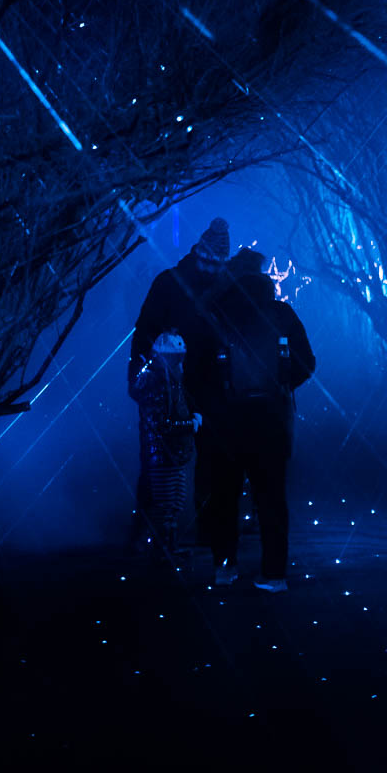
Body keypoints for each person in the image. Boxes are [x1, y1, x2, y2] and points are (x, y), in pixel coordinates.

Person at [201, 246, 315, 591]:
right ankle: (274, 573)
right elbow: (307, 362)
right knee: (271, 497)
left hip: (227, 420)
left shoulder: (216, 311)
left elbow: (199, 366)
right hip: (272, 418)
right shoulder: (281, 313)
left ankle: (225, 567)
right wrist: (282, 385)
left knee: (224, 495)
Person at [132, 217, 237, 547]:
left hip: (200, 386)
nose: (209, 270)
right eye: (207, 263)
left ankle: (190, 529)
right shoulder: (174, 284)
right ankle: (149, 530)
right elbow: (144, 331)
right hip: (172, 385)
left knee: (194, 458)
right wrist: (139, 379)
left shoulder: (178, 283)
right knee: (159, 460)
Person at [125, 329, 202, 557]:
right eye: (176, 357)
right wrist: (190, 424)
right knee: (167, 504)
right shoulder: (157, 380)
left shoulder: (167, 379)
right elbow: (163, 423)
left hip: (171, 452)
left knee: (174, 502)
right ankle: (162, 549)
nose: (180, 362)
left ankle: (167, 547)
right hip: (163, 452)